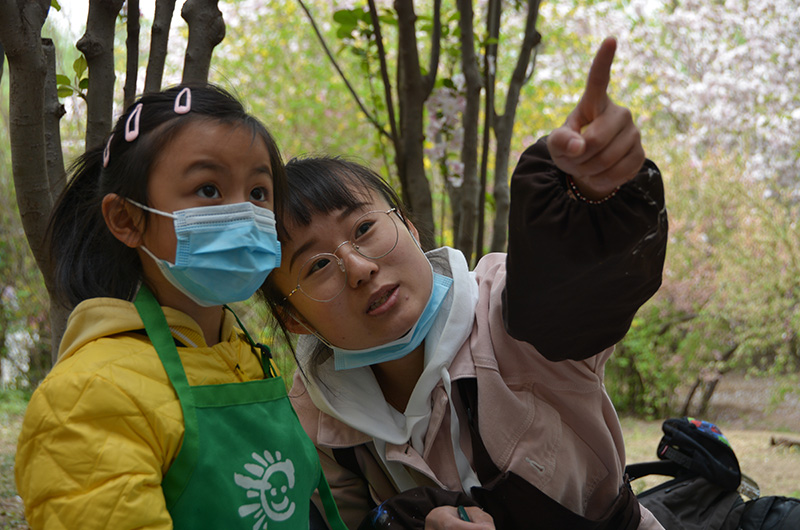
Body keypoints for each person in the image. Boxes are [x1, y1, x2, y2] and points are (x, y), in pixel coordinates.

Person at [260, 37, 668, 530]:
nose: (359, 268)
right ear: (292, 316)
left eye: (365, 229)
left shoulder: (506, 314)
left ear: (409, 226)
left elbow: (571, 292)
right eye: (317, 266)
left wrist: (591, 197)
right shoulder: (316, 417)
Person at [15, 84, 347, 530]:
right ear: (127, 219)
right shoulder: (88, 395)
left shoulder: (246, 358)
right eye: (208, 189)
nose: (243, 214)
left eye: (258, 192)